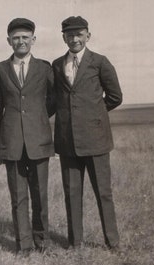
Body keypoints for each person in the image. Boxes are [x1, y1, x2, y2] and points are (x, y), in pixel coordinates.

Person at [51, 16, 123, 251]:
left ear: (88, 36)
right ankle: (75, 243)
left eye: (79, 34)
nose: (74, 39)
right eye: (70, 35)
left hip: (96, 141)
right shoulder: (56, 64)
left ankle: (112, 242)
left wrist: (94, 116)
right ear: (64, 38)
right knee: (72, 194)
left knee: (104, 193)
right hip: (67, 142)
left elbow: (115, 96)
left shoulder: (100, 62)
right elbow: (54, 100)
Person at [0, 18, 54, 256]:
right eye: (16, 37)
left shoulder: (45, 69)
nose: (21, 41)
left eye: (25, 37)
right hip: (12, 143)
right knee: (18, 197)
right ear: (9, 41)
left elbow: (54, 99)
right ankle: (23, 245)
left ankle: (42, 242)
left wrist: (38, 118)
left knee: (40, 195)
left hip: (39, 141)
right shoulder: (0, 70)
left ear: (33, 40)